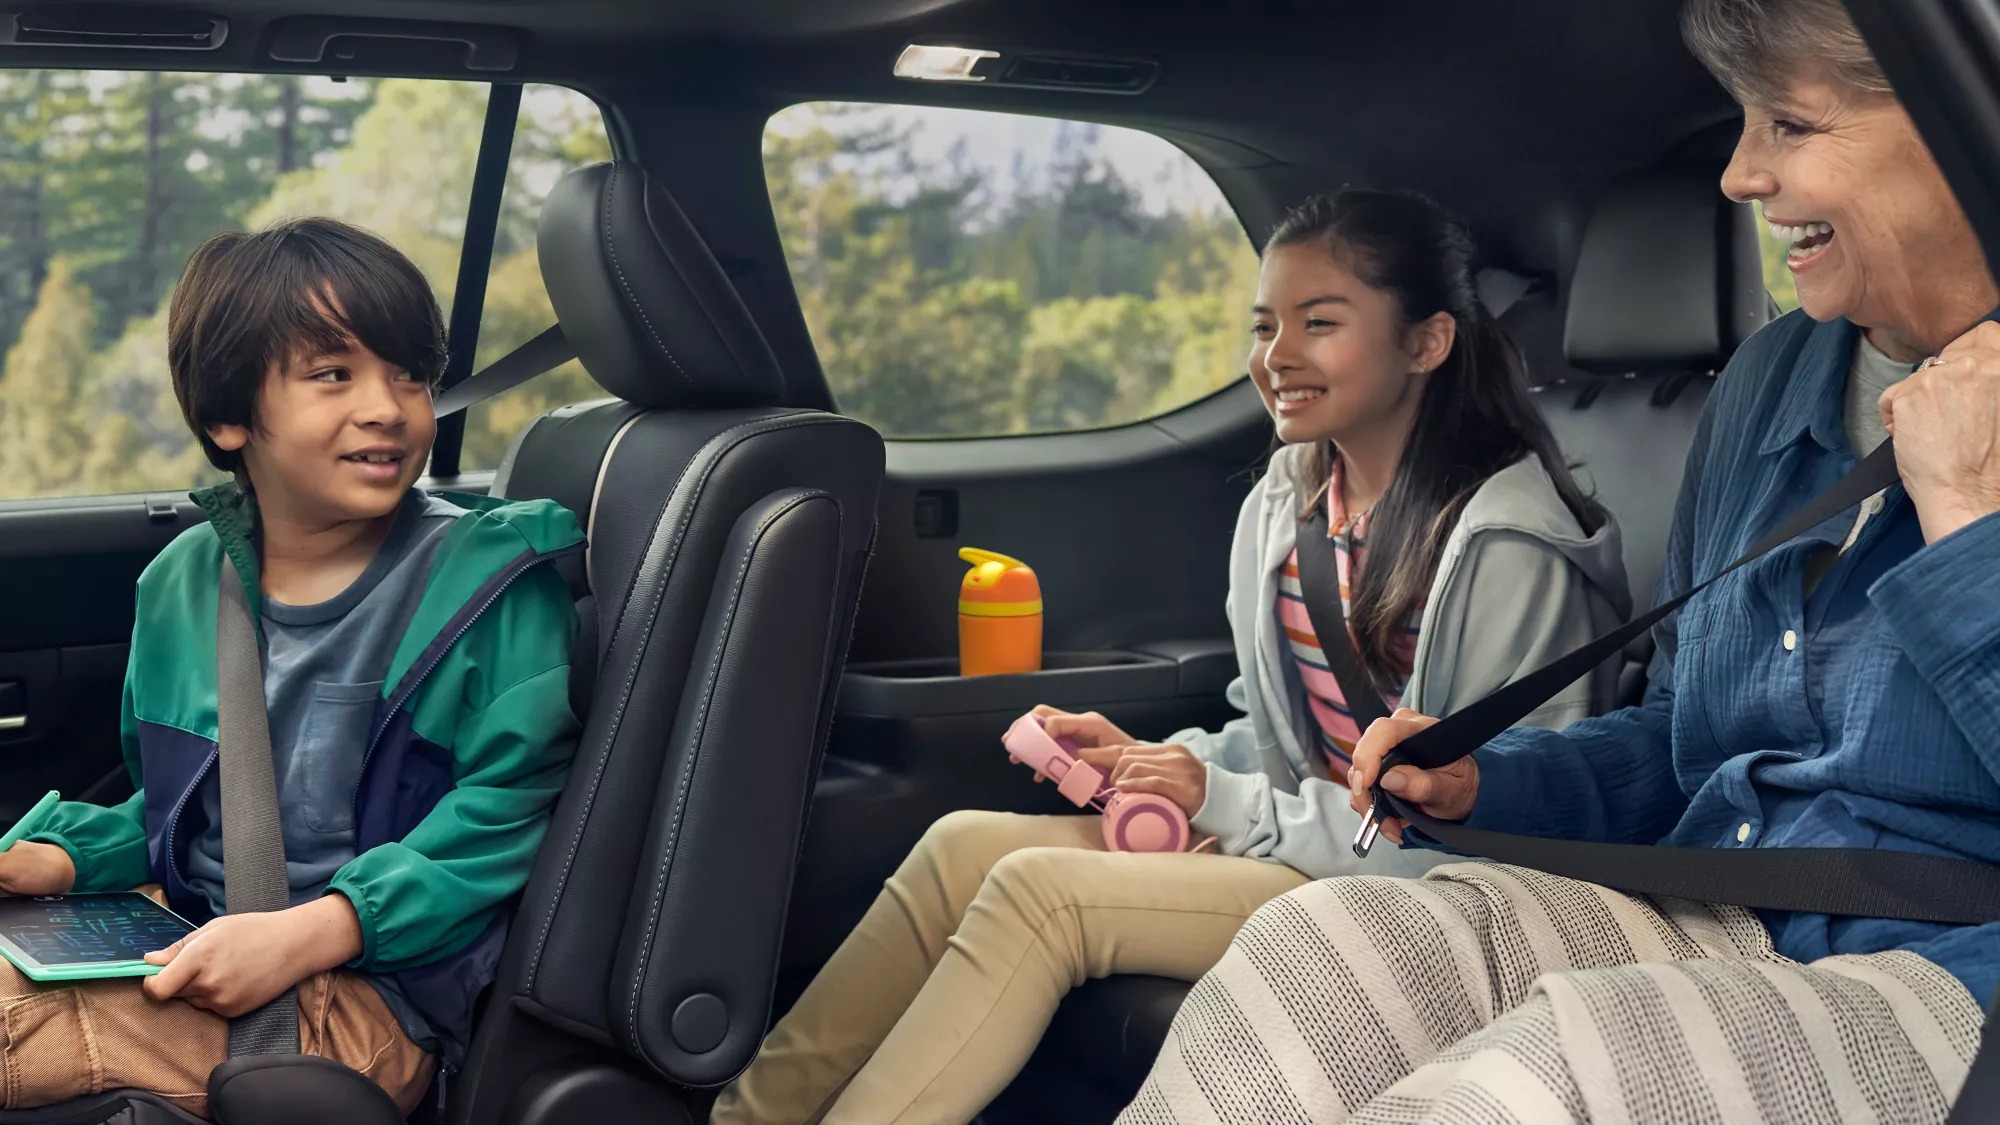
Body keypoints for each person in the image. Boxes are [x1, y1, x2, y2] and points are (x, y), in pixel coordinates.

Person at [1122, 2, 2000, 1122]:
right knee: (1323, 944)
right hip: (1718, 904)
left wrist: (1966, 514)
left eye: (1787, 124)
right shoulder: (1770, 381)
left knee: (1555, 1073)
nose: (1739, 175)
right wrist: (1491, 779)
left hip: (1948, 965)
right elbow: (1687, 738)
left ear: (1955, 130)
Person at [711, 190, 1631, 1125]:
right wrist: (1161, 764)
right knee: (956, 844)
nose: (1277, 358)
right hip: (1310, 841)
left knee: (1045, 895)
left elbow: (1474, 821)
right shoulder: (1292, 501)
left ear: (1427, 342)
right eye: (1265, 325)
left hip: (1423, 886)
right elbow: (1279, 737)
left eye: (1320, 323)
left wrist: (1224, 803)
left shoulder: (1508, 546)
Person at [0, 218, 585, 1116]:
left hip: (373, 993)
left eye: (410, 376)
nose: (388, 406)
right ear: (229, 417)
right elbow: (186, 808)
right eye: (332, 375)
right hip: (188, 923)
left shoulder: (490, 586)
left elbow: (508, 816)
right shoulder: (184, 583)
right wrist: (65, 860)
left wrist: (316, 931)